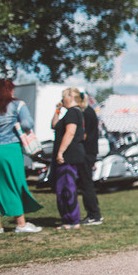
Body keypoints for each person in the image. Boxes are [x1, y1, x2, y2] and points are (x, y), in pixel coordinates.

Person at [0, 79, 43, 234]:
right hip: (9, 149)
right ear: (8, 91)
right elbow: (27, 124)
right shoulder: (17, 105)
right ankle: (20, 223)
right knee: (15, 183)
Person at [50, 87, 87, 230]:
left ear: (70, 97)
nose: (62, 99)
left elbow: (70, 133)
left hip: (69, 156)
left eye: (63, 96)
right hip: (68, 156)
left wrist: (60, 152)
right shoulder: (71, 113)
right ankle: (68, 219)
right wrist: (57, 110)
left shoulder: (73, 113)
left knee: (66, 188)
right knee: (62, 187)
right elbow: (54, 125)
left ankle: (72, 220)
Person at [78, 92, 103, 226]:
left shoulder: (86, 113)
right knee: (88, 184)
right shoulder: (90, 112)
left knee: (86, 184)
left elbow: (84, 135)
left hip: (87, 152)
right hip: (90, 152)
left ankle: (94, 215)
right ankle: (94, 213)